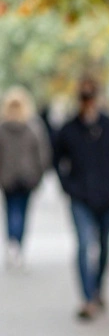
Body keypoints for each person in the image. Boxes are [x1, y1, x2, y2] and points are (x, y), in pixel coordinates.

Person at [52, 76, 109, 319]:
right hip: (80, 197)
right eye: (83, 98)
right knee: (84, 244)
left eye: (91, 97)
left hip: (107, 197)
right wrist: (68, 186)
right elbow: (57, 160)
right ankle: (87, 298)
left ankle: (97, 290)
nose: (88, 103)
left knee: (105, 247)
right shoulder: (69, 129)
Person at [0, 86, 51, 269]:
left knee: (11, 211)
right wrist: (40, 173)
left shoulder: (3, 127)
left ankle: (13, 243)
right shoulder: (32, 126)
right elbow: (42, 153)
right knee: (21, 212)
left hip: (8, 177)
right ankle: (17, 245)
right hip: (26, 176)